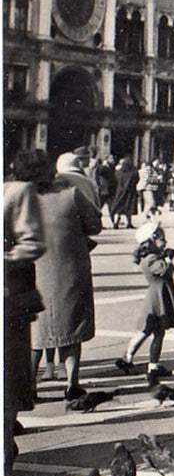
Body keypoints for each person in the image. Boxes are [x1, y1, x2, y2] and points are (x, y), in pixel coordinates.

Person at [29, 152, 103, 403]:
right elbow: (95, 224)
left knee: (35, 332)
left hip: (34, 271)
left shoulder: (23, 199)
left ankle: (28, 385)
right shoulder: (70, 195)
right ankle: (72, 383)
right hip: (70, 268)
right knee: (72, 325)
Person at [4, 153, 47, 470]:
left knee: (7, 382)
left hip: (7, 300)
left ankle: (5, 448)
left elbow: (33, 243)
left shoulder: (16, 192)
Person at [117, 220, 174, 381]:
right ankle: (128, 358)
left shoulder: (153, 256)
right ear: (151, 240)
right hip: (156, 300)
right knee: (147, 331)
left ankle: (150, 364)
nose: (165, 242)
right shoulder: (151, 259)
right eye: (162, 239)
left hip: (158, 298)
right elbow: (165, 270)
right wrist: (168, 258)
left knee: (154, 332)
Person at [110, 157, 140, 229]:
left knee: (119, 207)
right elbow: (137, 180)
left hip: (120, 192)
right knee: (129, 208)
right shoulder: (134, 173)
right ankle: (129, 223)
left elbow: (114, 181)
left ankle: (116, 222)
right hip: (130, 192)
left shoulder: (118, 173)